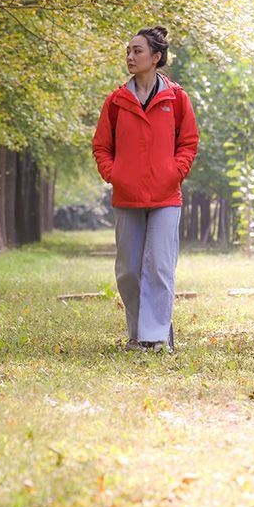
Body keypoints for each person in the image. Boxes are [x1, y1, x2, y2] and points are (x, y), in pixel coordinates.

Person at [92, 26, 199, 354]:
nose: (130, 56)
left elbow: (189, 143)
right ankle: (138, 335)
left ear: (156, 57)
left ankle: (155, 338)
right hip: (127, 195)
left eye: (137, 51)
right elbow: (101, 146)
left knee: (159, 266)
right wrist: (115, 175)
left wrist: (175, 172)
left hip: (166, 196)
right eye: (128, 51)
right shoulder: (116, 101)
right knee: (128, 270)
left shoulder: (176, 98)